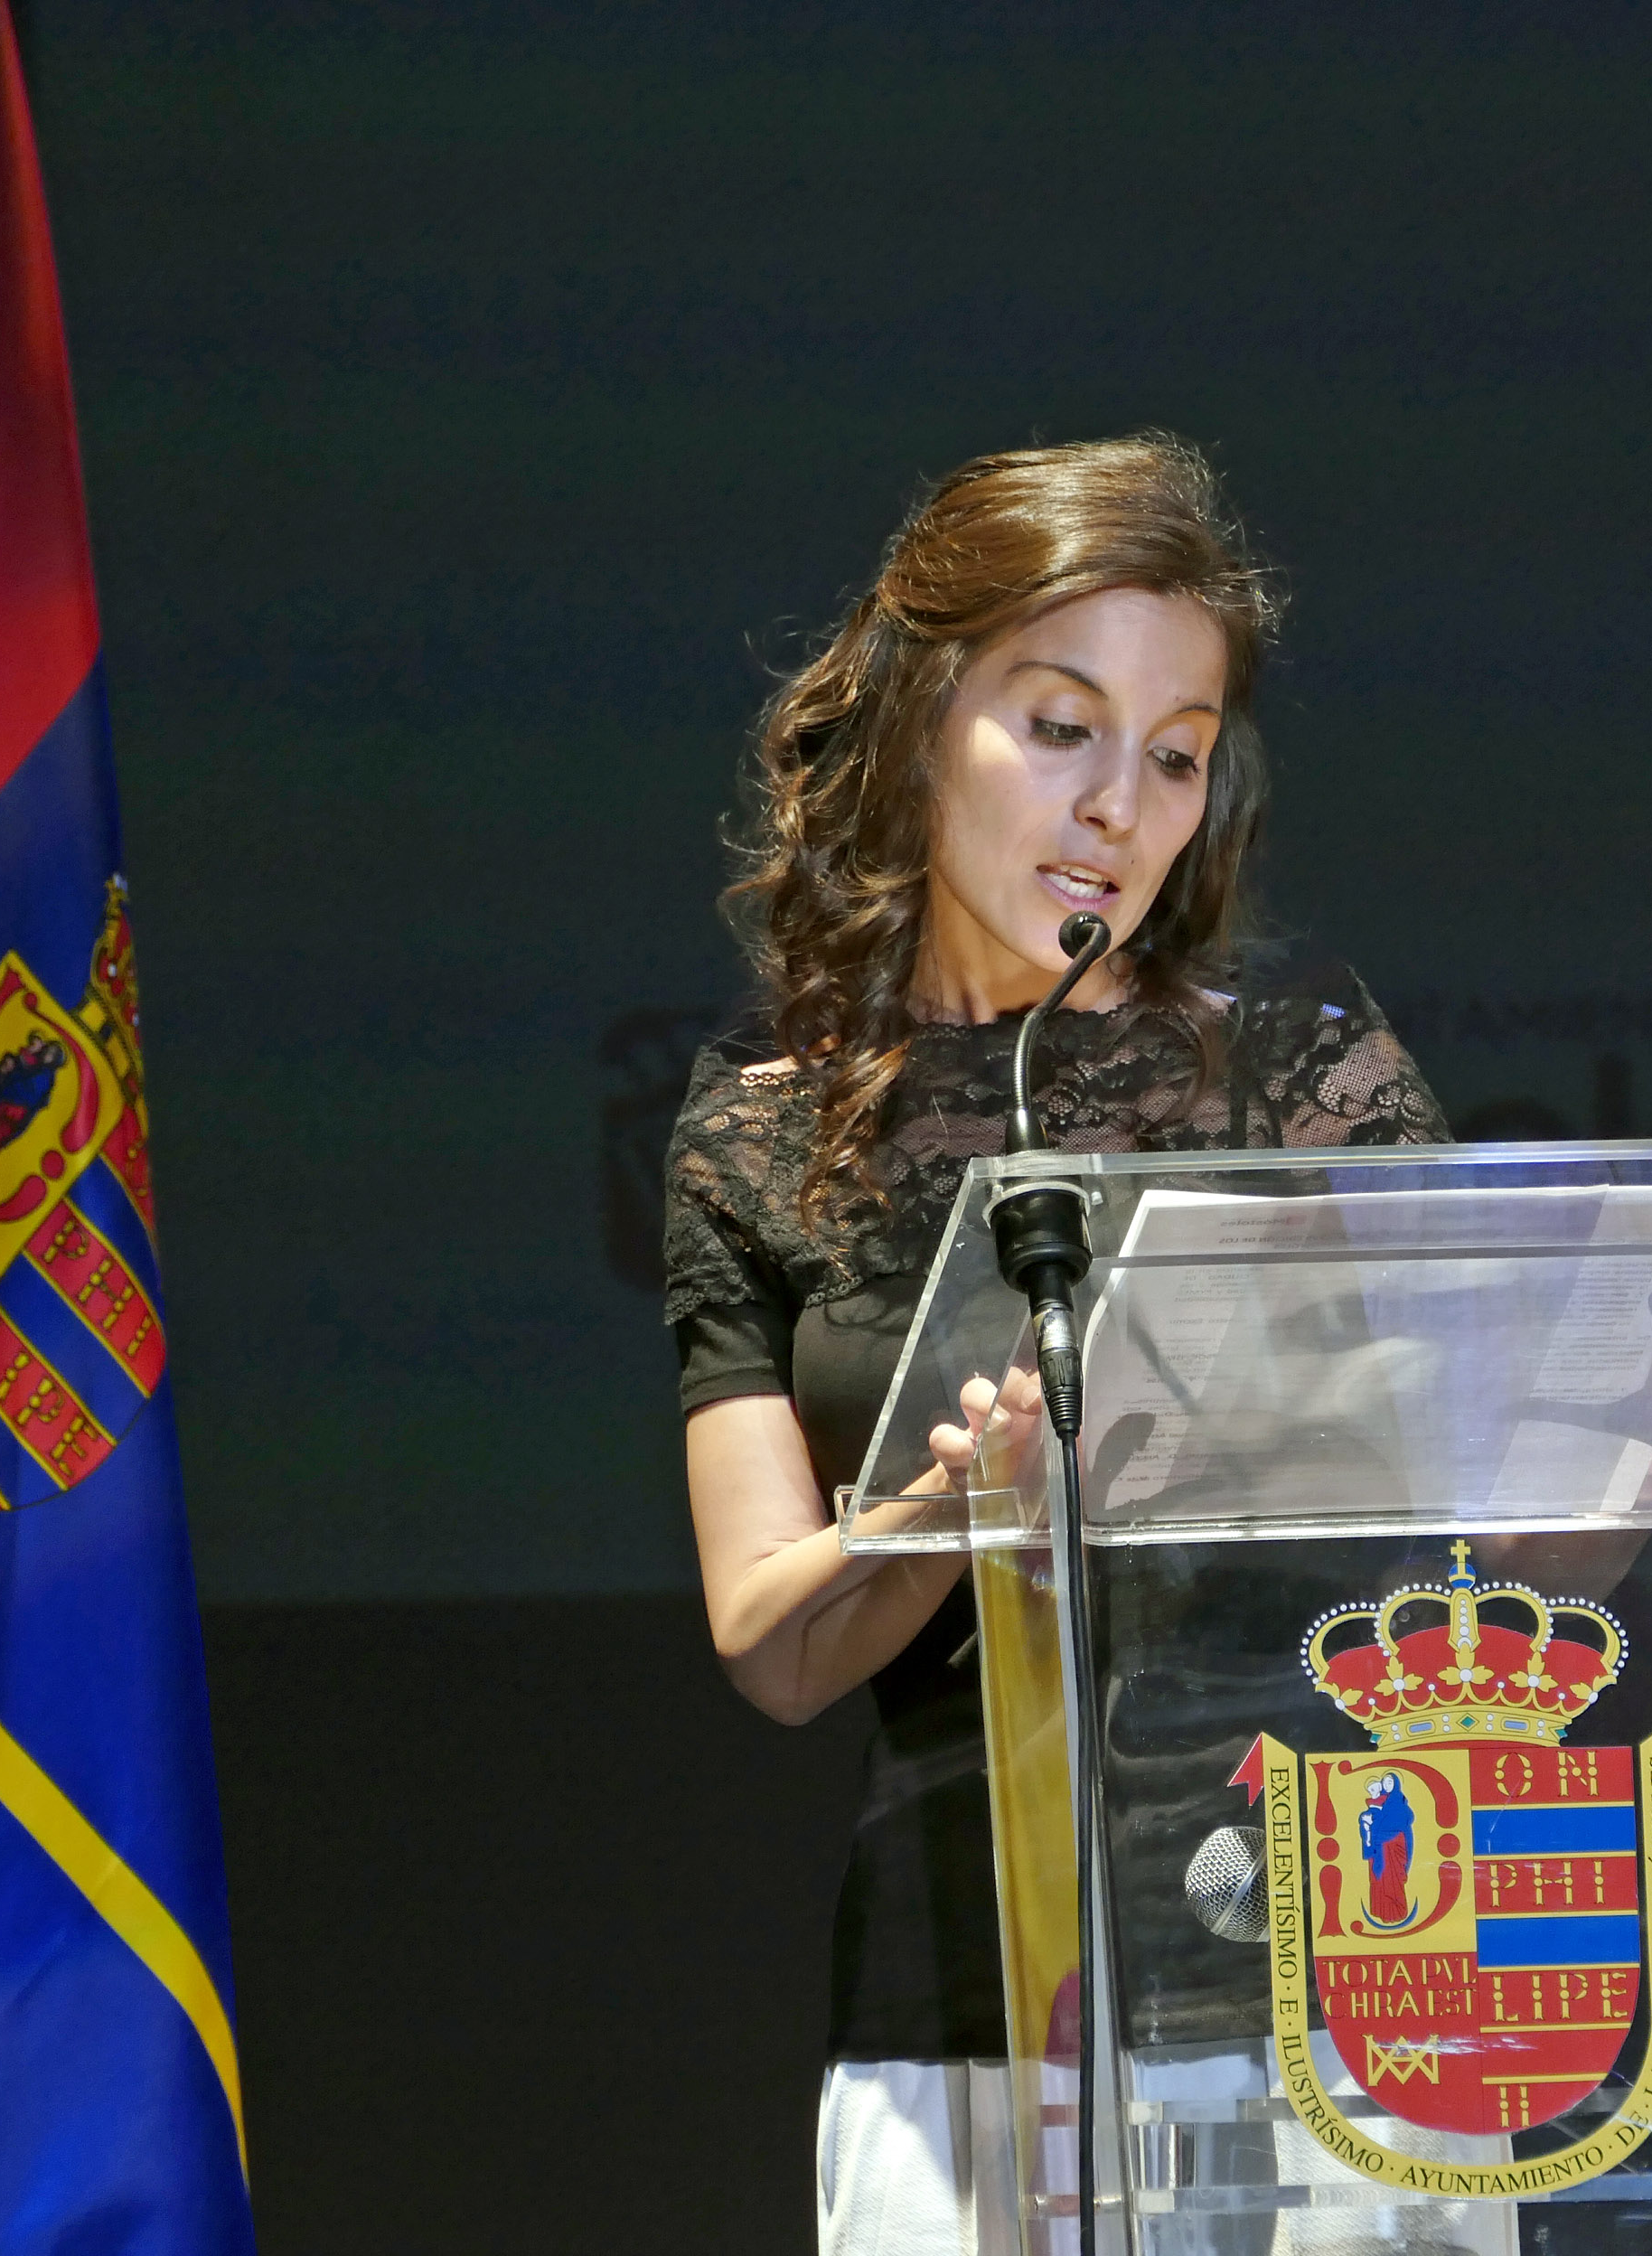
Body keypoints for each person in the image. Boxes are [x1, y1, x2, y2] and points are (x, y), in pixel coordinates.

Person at [660, 434, 1454, 2253]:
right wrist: (956, 1507)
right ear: (924, 721)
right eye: (1063, 725)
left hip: (1337, 1984)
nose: (1119, 807)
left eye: (1175, 755)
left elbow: (1492, 1542)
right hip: (959, 2020)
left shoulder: (1304, 1080)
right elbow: (772, 1643)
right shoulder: (762, 1135)